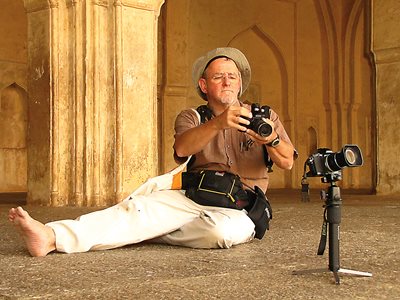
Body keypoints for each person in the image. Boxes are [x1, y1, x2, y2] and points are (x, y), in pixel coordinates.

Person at [8, 47, 297, 257]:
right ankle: (51, 236)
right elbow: (183, 148)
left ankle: (147, 230)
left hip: (241, 205)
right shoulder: (192, 117)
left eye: (232, 77)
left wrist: (270, 139)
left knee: (222, 234)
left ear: (240, 83)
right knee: (137, 209)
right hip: (193, 195)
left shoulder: (264, 116)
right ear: (204, 85)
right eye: (219, 77)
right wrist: (219, 124)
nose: (227, 82)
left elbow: (286, 161)